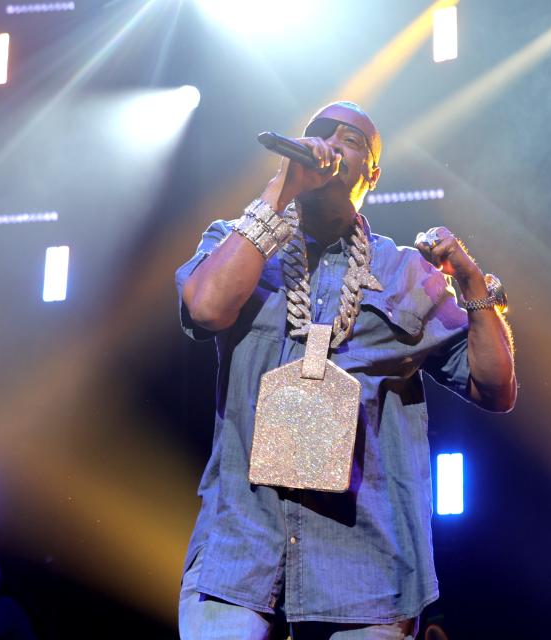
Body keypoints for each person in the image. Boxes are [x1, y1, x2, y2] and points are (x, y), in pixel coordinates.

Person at [175, 101, 516, 639]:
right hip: (240, 548)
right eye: (318, 133)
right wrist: (281, 189)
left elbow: (494, 388)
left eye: (350, 138)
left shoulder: (407, 272)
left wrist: (472, 284)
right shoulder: (238, 241)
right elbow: (207, 308)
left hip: (367, 565)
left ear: (372, 173)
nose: (330, 142)